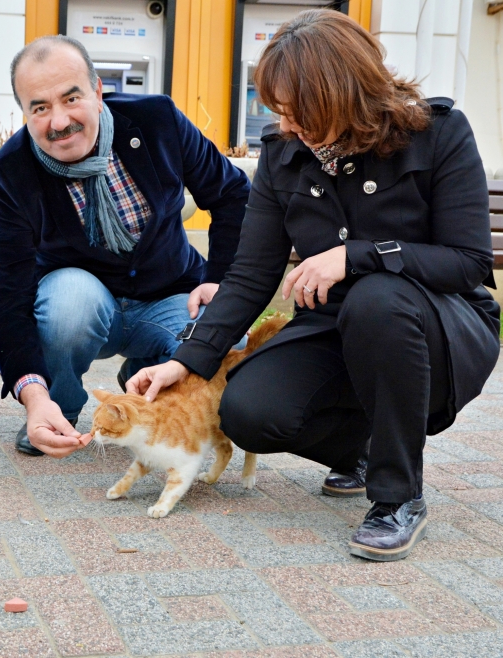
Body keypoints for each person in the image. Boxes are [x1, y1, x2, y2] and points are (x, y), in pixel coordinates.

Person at [127, 9, 499, 562]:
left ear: (345, 93)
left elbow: (469, 263)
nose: (288, 124)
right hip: (335, 325)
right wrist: (186, 360)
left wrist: (356, 256)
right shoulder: (284, 155)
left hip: (438, 326)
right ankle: (364, 447)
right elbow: (252, 274)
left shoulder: (438, 133)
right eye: (279, 109)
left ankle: (398, 498)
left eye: (300, 110)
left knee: (379, 297)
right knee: (248, 413)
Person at [0, 35, 251, 458]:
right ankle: (60, 411)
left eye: (71, 98)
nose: (58, 121)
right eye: (40, 107)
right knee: (69, 299)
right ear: (24, 114)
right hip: (83, 309)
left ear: (98, 91)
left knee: (230, 341)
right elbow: (5, 292)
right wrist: (33, 396)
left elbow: (233, 194)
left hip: (170, 294)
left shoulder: (157, 120)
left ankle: (146, 375)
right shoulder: (11, 172)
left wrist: (219, 279)